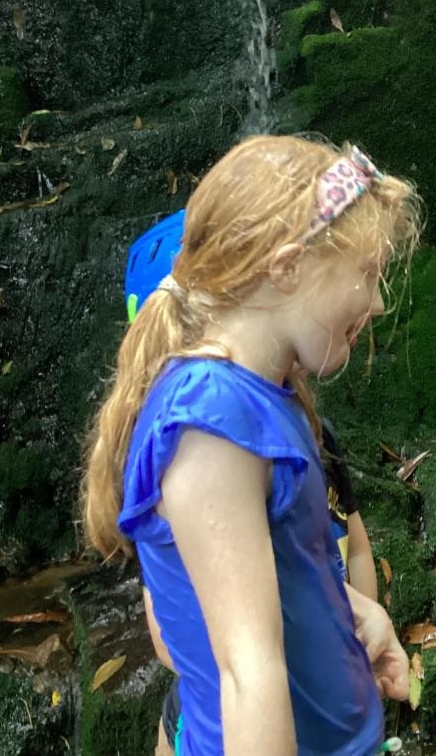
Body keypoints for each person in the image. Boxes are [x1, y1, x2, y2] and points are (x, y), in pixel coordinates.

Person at [81, 136, 417, 755]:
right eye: (367, 273)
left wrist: (353, 612)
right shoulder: (211, 420)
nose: (376, 301)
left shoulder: (266, 396)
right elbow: (246, 670)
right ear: (287, 268)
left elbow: (276, 574)